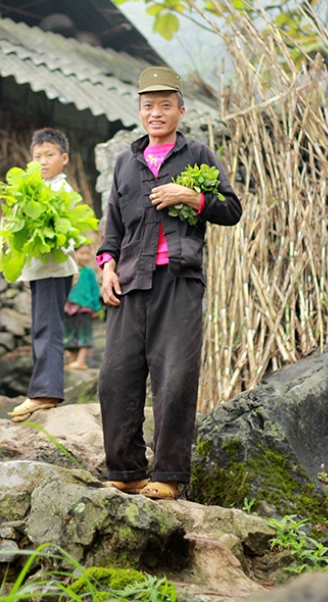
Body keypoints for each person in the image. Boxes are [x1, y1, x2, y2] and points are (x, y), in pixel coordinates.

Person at [97, 66, 242, 499]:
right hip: (129, 282)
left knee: (174, 377)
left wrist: (191, 197)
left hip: (178, 281)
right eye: (148, 106)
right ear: (140, 112)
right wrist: (106, 267)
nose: (156, 113)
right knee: (114, 377)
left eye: (165, 105)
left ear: (180, 110)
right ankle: (126, 471)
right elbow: (112, 228)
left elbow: (231, 209)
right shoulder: (125, 161)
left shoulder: (197, 154)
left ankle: (168, 477)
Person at [9, 128, 78, 423]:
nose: (43, 162)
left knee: (47, 328)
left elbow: (72, 234)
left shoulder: (62, 192)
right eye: (37, 157)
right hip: (39, 272)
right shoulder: (32, 191)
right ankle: (41, 390)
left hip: (54, 271)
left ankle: (46, 392)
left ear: (64, 158)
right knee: (40, 327)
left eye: (49, 155)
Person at [63, 243, 102, 370]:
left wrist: (96, 307)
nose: (85, 257)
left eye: (87, 254)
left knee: (84, 335)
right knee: (71, 334)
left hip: (85, 308)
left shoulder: (89, 273)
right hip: (70, 308)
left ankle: (81, 361)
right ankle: (73, 359)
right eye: (81, 253)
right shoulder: (69, 271)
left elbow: (95, 290)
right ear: (74, 254)